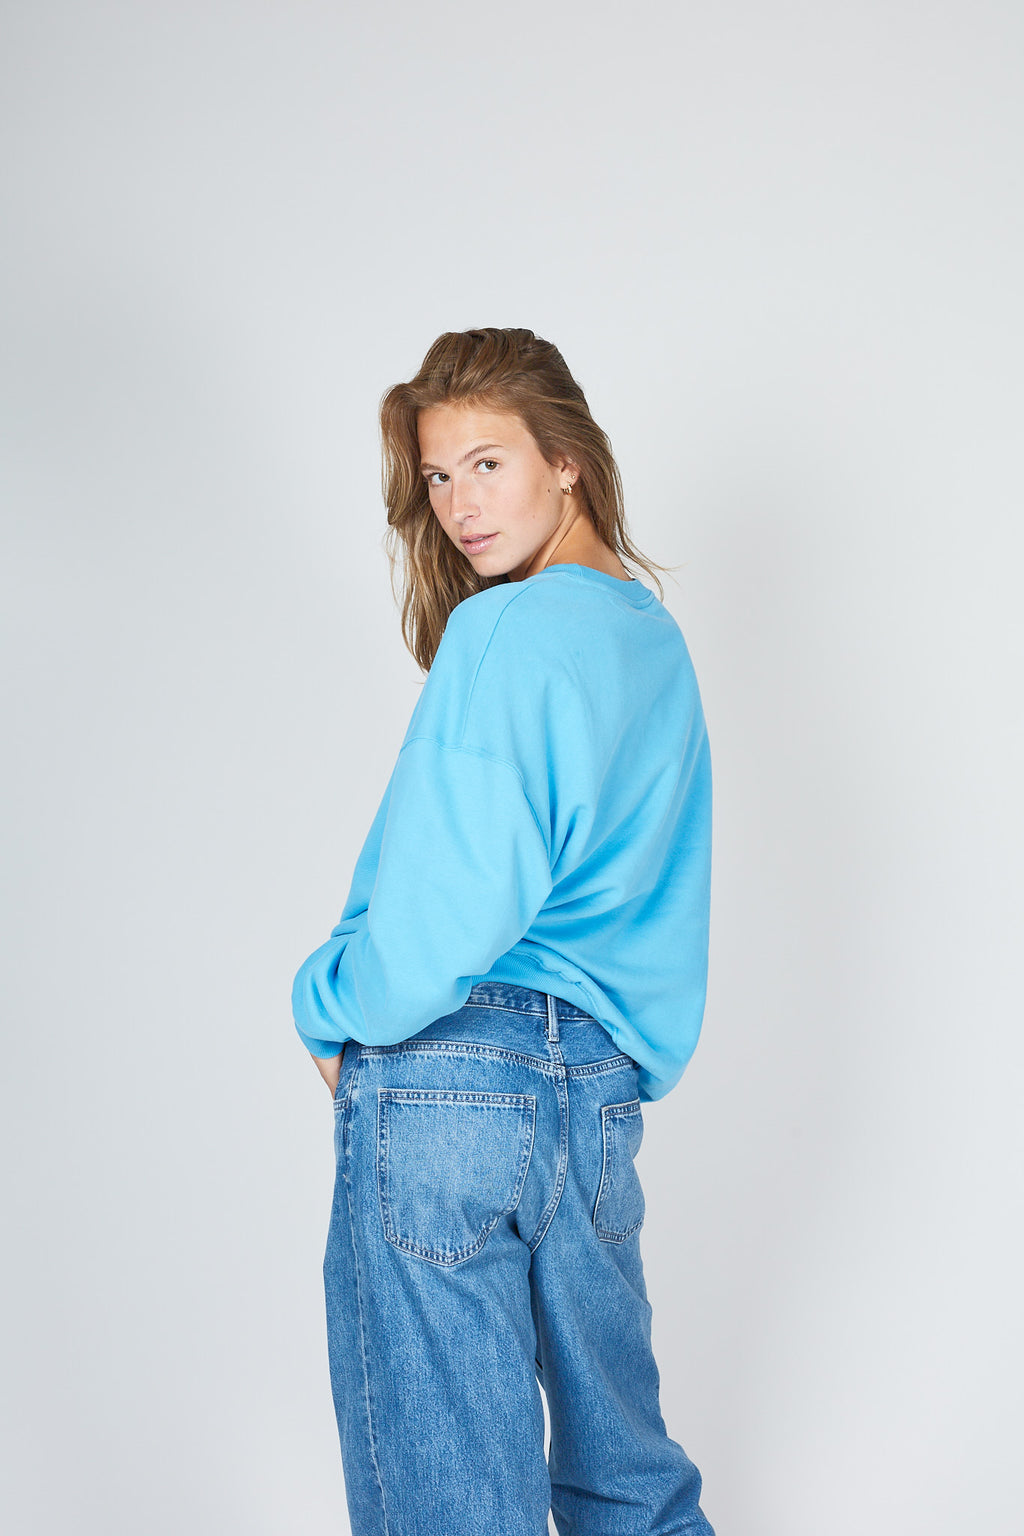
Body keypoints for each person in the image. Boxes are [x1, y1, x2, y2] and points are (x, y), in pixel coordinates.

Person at [291, 327, 716, 1536]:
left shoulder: (501, 634)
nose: (459, 506)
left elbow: (448, 910)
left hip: (448, 1086)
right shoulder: (655, 644)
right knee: (627, 1482)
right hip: (594, 1094)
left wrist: (327, 1005)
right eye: (436, 476)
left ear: (566, 460)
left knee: (451, 1505)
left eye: (488, 464)